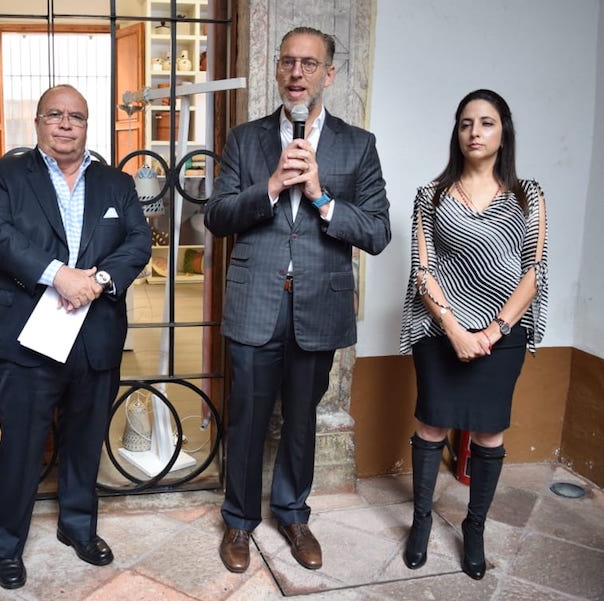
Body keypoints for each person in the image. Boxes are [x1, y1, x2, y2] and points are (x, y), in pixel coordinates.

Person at [204, 26, 391, 573]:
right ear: (277, 70)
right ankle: (239, 522)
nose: (297, 73)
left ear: (328, 74)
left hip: (319, 305)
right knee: (247, 417)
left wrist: (320, 196)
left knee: (302, 418)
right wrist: (268, 187)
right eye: (288, 62)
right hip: (254, 302)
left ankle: (292, 513)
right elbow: (217, 216)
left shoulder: (358, 145)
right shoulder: (245, 139)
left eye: (310, 64)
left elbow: (377, 232)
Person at [0, 84, 151, 590]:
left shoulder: (116, 182)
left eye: (76, 116)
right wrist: (59, 275)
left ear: (87, 125)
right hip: (28, 332)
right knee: (22, 443)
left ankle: (77, 527)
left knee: (85, 438)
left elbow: (138, 240)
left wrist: (98, 280)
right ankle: (8, 543)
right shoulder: (5, 175)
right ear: (38, 123)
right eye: (55, 115)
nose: (66, 124)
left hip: (95, 329)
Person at [399, 89, 548, 580]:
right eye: (466, 123)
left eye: (486, 123)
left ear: (504, 131)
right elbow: (423, 271)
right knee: (431, 425)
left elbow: (533, 273)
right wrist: (456, 330)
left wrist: (494, 330)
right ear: (456, 132)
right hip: (440, 329)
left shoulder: (528, 194)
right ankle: (421, 522)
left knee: (488, 431)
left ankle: (475, 527)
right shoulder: (431, 195)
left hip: (502, 334)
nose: (474, 133)